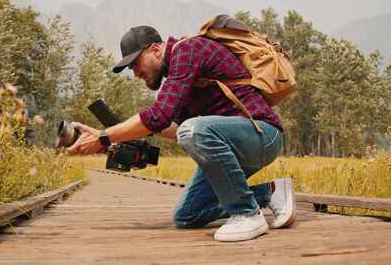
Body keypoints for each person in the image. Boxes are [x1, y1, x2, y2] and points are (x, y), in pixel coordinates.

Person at [67, 25, 296, 242]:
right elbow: (172, 126)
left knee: (193, 130)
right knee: (187, 214)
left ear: (155, 49)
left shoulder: (188, 50)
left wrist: (105, 136)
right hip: (237, 143)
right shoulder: (180, 75)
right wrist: (116, 138)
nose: (135, 73)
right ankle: (270, 192)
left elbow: (162, 117)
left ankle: (246, 214)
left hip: (263, 133)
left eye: (136, 64)